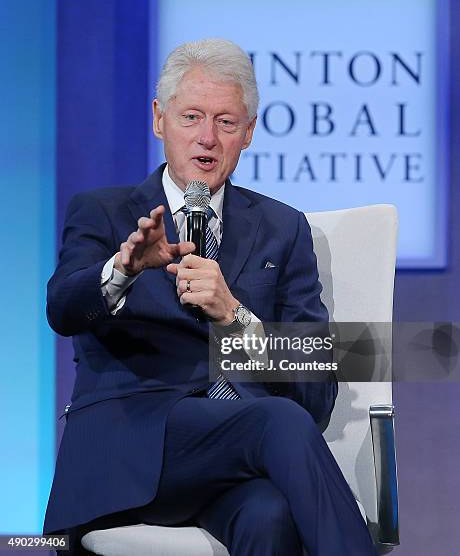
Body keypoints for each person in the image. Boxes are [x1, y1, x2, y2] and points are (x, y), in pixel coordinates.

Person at [43, 38, 376, 555]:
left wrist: (236, 317)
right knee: (279, 420)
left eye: (225, 123)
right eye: (191, 117)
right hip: (130, 450)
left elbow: (317, 392)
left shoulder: (283, 229)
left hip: (230, 462)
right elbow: (62, 309)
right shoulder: (104, 213)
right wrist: (122, 270)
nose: (207, 138)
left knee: (271, 515)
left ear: (249, 133)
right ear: (159, 120)